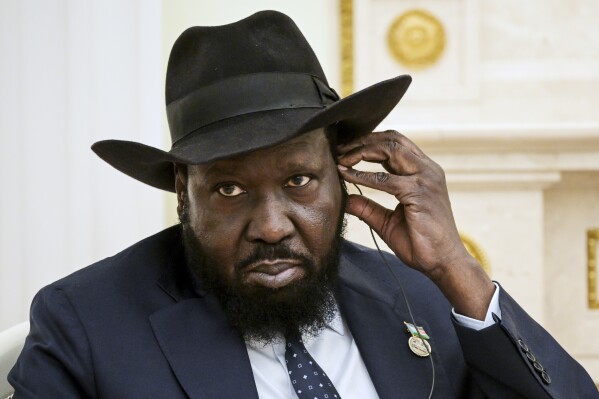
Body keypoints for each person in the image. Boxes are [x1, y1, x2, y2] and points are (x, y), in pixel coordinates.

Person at [8, 10, 598, 399]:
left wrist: (455, 269)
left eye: (298, 182)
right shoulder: (87, 324)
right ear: (184, 196)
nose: (270, 227)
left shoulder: (418, 295)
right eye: (229, 189)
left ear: (343, 178)